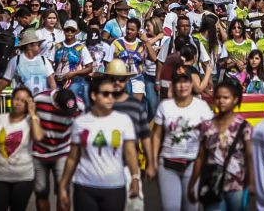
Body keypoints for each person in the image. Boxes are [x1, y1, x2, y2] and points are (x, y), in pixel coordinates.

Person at [58, 76, 140, 211]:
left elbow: (131, 153)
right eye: (106, 94)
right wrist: (63, 186)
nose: (110, 98)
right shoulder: (80, 122)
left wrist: (135, 178)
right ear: (94, 95)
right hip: (84, 187)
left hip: (115, 187)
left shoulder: (124, 120)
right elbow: (72, 158)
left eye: (113, 94)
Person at [150, 66, 214, 211]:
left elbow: (209, 136)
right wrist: (152, 162)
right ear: (173, 85)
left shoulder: (202, 107)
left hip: (193, 165)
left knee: (190, 207)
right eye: (179, 82)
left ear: (192, 84)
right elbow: (156, 135)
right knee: (170, 207)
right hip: (167, 164)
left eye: (186, 82)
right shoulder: (165, 106)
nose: (183, 86)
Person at [188, 79, 254, 211]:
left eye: (226, 97)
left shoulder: (244, 127)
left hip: (236, 185)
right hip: (212, 184)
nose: (221, 101)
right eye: (218, 97)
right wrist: (192, 184)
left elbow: (250, 156)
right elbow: (201, 157)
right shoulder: (207, 126)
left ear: (235, 100)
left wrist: (252, 182)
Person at [0, 87, 44, 211]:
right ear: (12, 100)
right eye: (16, 99)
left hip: (23, 178)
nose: (18, 103)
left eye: (23, 101)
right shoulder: (1, 119)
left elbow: (38, 137)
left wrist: (33, 114)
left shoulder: (32, 121)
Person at [106, 59, 153, 211]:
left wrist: (151, 163)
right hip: (105, 167)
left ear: (126, 80)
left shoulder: (135, 106)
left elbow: (145, 137)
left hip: (130, 168)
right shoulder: (100, 105)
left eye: (121, 79)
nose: (117, 83)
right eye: (113, 79)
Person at [32, 88, 83, 211]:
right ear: (55, 103)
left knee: (63, 191)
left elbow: (80, 130)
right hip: (40, 152)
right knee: (41, 192)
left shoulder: (79, 106)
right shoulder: (39, 100)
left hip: (63, 152)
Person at [4, 29, 56, 96]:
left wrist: (53, 95)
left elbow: (51, 80)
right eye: (38, 44)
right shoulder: (16, 60)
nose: (40, 47)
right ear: (29, 46)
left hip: (41, 99)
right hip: (23, 99)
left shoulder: (44, 60)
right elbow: (6, 80)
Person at [53, 19, 94, 106]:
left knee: (72, 104)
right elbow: (49, 63)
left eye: (72, 30)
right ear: (64, 31)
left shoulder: (81, 47)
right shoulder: (57, 46)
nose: (70, 32)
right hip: (58, 83)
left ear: (76, 32)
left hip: (75, 82)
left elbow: (90, 67)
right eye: (67, 30)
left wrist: (75, 73)